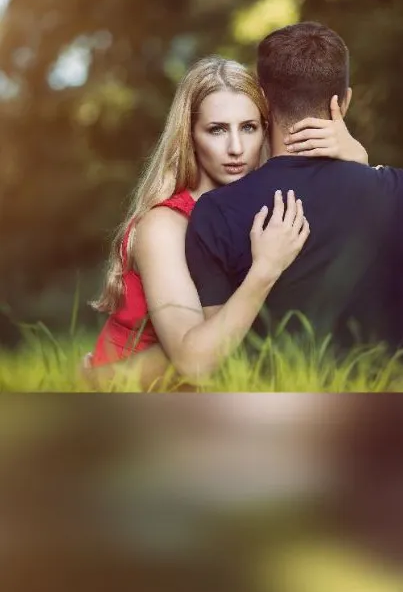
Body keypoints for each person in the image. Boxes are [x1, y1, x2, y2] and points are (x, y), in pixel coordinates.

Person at [84, 54, 367, 389]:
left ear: (266, 128)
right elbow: (192, 362)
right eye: (216, 130)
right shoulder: (164, 226)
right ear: (190, 136)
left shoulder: (268, 207)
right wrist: (265, 269)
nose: (236, 148)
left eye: (248, 127)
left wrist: (356, 163)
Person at [186, 23, 403, 355]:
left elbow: (215, 360)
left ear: (262, 101)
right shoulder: (394, 191)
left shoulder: (215, 211)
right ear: (344, 102)